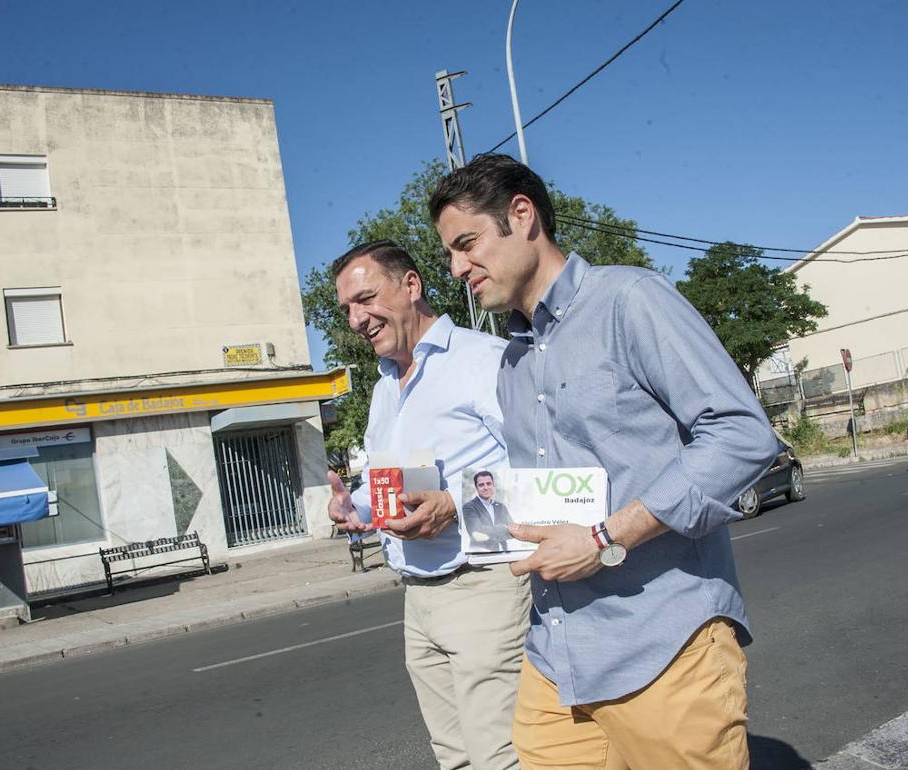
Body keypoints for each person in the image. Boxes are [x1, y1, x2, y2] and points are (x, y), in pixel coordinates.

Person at [429, 154, 780, 770]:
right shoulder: (512, 363)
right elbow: (540, 492)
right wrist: (454, 507)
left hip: (664, 646)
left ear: (522, 215)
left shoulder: (630, 301)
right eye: (450, 256)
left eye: (467, 244)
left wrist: (604, 537)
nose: (458, 269)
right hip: (556, 659)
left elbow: (742, 436)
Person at [326, 239, 531, 770]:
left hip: (486, 586)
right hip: (417, 596)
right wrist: (360, 511)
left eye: (366, 298)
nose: (355, 319)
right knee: (455, 759)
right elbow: (385, 479)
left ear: (411, 285)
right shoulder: (384, 388)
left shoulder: (484, 360)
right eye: (347, 308)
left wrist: (455, 504)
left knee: (498, 759)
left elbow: (542, 467)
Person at [462, 470, 512, 552]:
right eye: (481, 485)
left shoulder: (501, 506)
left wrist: (489, 531)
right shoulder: (469, 507)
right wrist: (503, 528)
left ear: (493, 485)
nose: (486, 488)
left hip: (503, 553)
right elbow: (476, 532)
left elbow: (512, 531)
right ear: (476, 488)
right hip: (481, 553)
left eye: (489, 484)